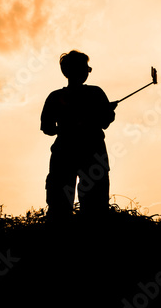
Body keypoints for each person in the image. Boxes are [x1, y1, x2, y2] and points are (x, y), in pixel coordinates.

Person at [41, 50, 117, 223]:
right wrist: (105, 113)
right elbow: (105, 121)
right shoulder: (96, 93)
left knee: (60, 207)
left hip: (64, 153)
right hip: (91, 153)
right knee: (94, 209)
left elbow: (47, 128)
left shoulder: (55, 97)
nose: (87, 71)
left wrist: (65, 129)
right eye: (86, 68)